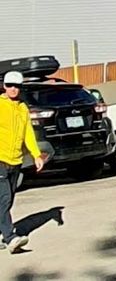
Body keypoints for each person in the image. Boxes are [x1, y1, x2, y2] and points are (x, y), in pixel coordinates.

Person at [0, 71, 45, 254]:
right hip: (0, 159)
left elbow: (28, 134)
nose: (13, 89)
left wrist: (36, 155)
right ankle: (11, 238)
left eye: (17, 86)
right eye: (10, 85)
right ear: (4, 86)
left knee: (8, 200)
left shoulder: (22, 108)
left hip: (16, 160)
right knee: (4, 199)